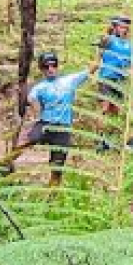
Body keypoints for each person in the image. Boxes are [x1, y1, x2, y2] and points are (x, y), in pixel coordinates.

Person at [21, 50, 101, 186]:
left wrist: (100, 52)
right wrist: (35, 107)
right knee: (27, 141)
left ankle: (51, 198)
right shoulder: (39, 87)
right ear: (41, 69)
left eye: (53, 65)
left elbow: (91, 69)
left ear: (58, 66)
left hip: (63, 128)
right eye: (46, 67)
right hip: (45, 124)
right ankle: (4, 164)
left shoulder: (70, 81)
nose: (51, 69)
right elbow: (33, 102)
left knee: (57, 168)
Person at [97, 16, 133, 115]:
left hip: (121, 78)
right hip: (107, 76)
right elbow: (99, 54)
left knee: (117, 108)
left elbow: (131, 61)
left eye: (126, 28)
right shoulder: (109, 39)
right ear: (115, 27)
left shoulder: (129, 44)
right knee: (105, 105)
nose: (124, 30)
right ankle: (100, 126)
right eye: (121, 27)